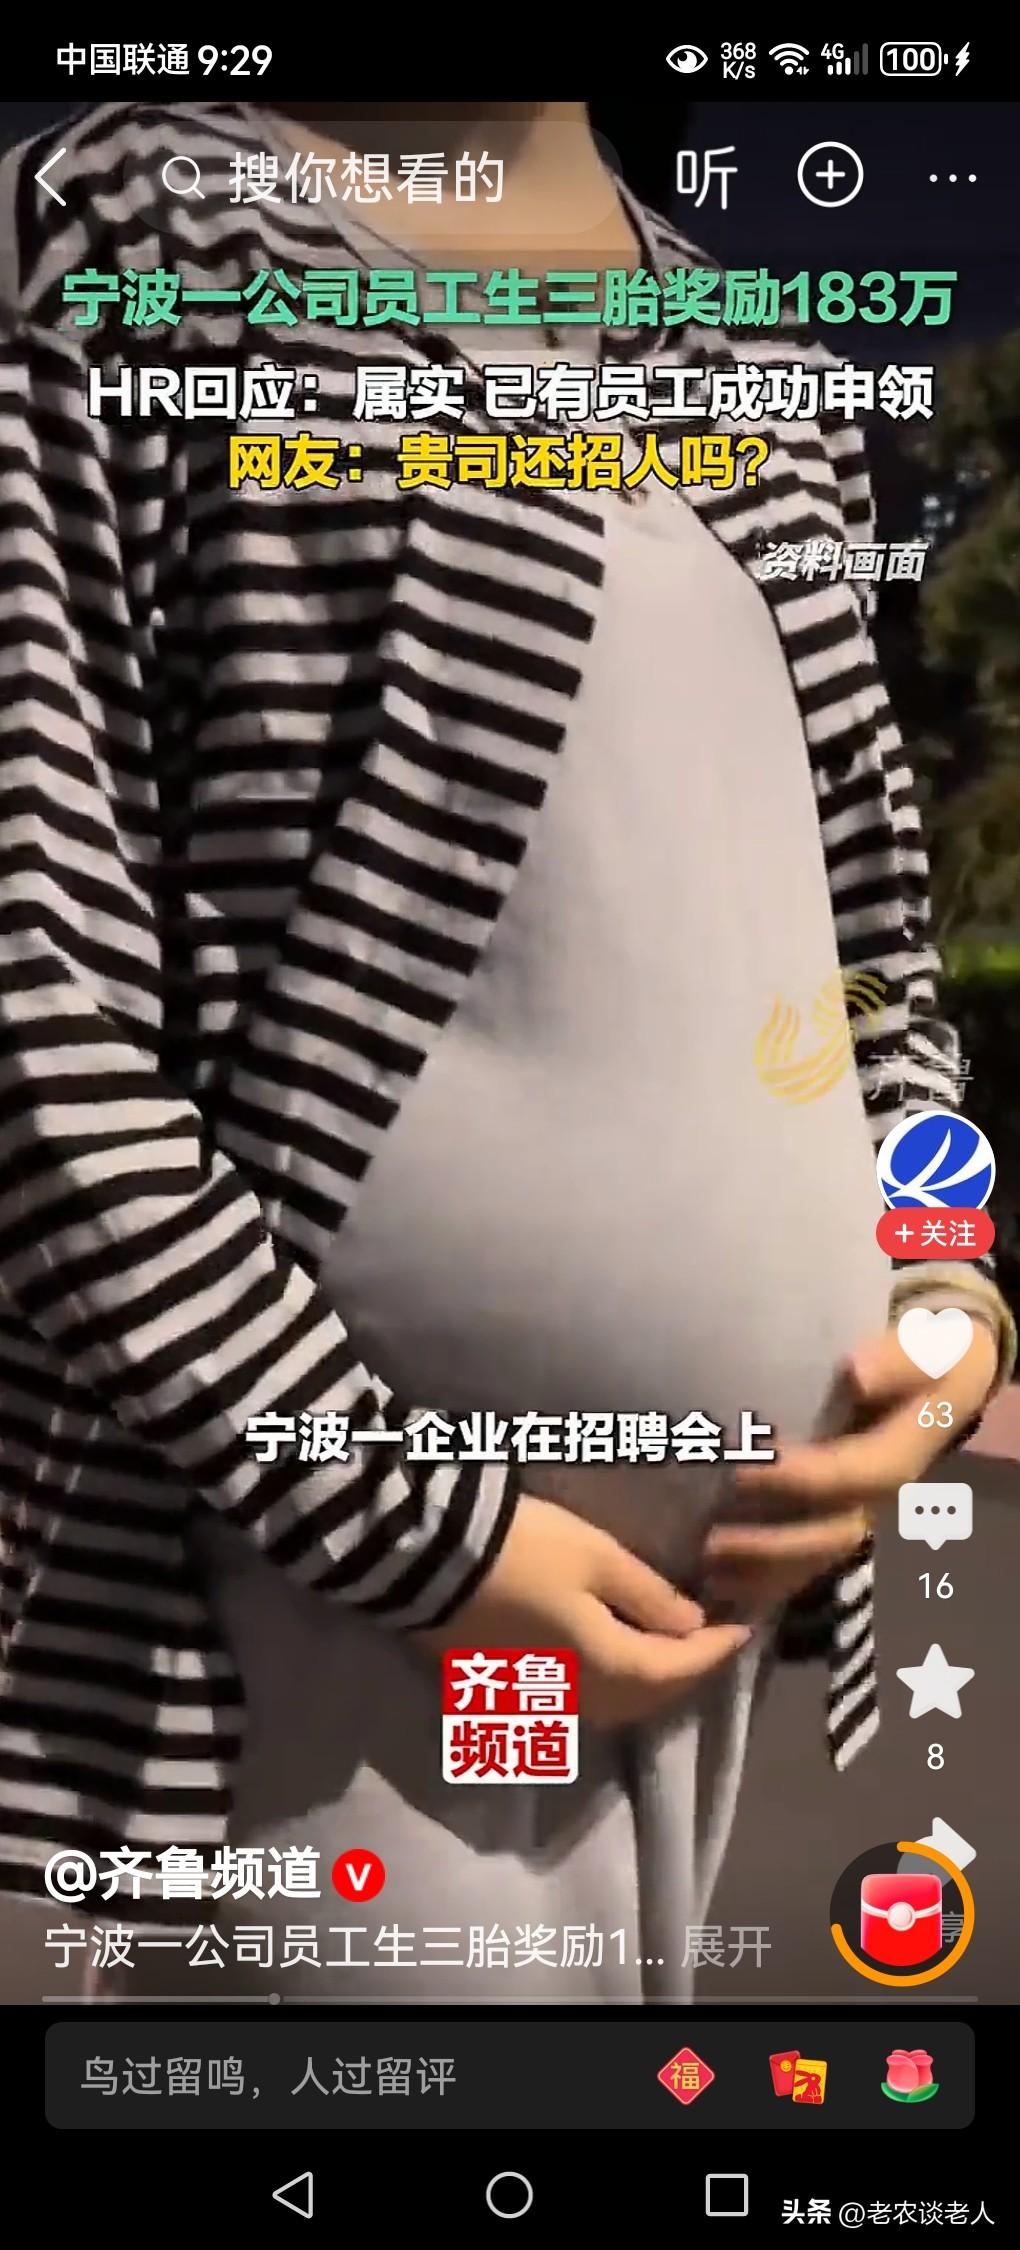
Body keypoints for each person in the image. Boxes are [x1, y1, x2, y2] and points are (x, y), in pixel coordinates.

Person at [0, 99, 1013, 2003]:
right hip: (322, 1592)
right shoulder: (138, 234)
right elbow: (38, 993)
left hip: (714, 1604)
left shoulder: (750, 344)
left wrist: (946, 1292)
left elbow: (874, 943)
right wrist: (418, 1531)